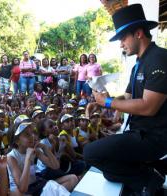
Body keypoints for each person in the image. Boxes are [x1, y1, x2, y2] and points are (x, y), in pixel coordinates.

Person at [84, 4, 167, 195]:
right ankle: (151, 174)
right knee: (110, 173)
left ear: (138, 33)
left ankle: (150, 179)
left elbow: (148, 107)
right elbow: (128, 97)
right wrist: (102, 102)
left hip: (154, 138)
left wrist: (107, 102)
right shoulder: (140, 63)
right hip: (138, 132)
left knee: (90, 153)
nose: (121, 44)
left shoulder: (160, 59)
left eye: (122, 38)